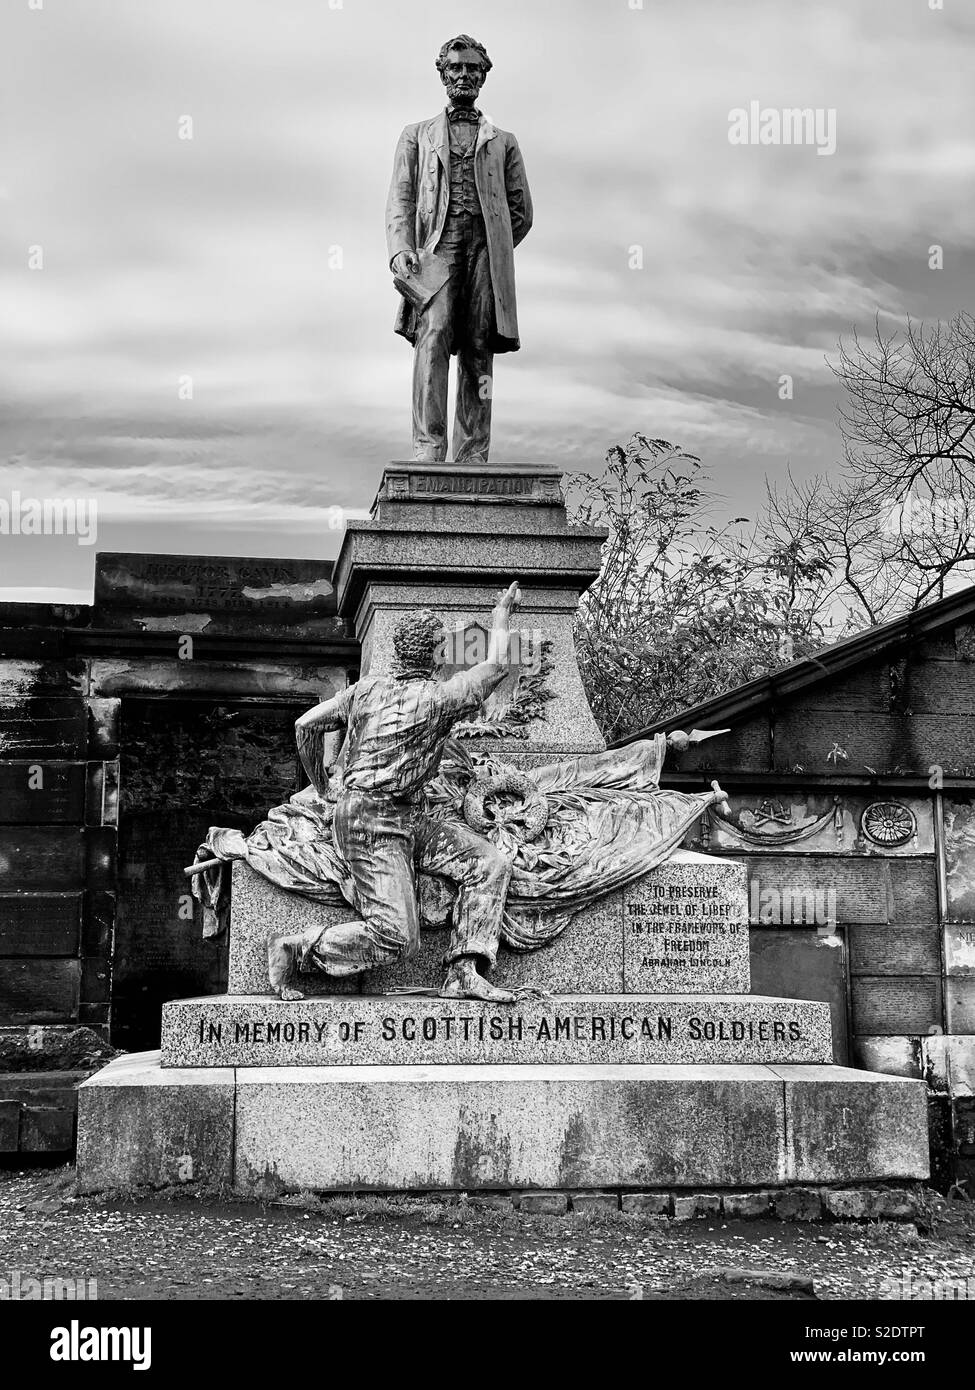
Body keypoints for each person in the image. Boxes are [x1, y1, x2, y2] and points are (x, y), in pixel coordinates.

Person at [268, 582, 524, 1002]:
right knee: (397, 938)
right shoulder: (440, 697)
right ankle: (296, 949)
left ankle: (463, 971)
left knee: (489, 863)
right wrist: (501, 615)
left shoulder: (367, 689)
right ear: (437, 655)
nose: (448, 654)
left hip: (411, 817)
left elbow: (305, 725)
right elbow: (496, 665)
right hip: (370, 825)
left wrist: (323, 785)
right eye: (445, 648)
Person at [386, 34, 533, 464]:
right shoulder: (416, 135)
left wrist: (498, 247)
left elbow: (521, 210)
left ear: (483, 76)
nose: (464, 75)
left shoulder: (503, 141)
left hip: (484, 253)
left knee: (478, 346)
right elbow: (402, 198)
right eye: (456, 68)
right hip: (436, 249)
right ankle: (428, 448)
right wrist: (401, 250)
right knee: (432, 337)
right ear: (443, 74)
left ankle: (472, 454)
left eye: (472, 68)